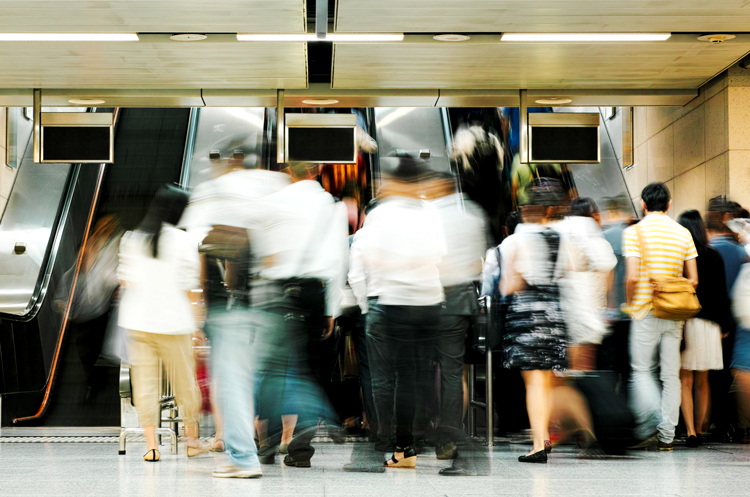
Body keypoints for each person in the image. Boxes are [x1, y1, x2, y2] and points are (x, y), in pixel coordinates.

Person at [180, 153, 291, 478]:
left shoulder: (226, 206)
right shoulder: (267, 196)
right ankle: (242, 453)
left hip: (233, 312)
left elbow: (226, 274)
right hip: (264, 307)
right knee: (246, 381)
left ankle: (242, 457)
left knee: (231, 383)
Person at [252, 161, 348, 468]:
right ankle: (301, 448)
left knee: (274, 369)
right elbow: (337, 262)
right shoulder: (331, 206)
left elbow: (259, 255)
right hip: (313, 291)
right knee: (307, 367)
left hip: (277, 291)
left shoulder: (270, 202)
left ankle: (266, 443)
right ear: (316, 170)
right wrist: (330, 310)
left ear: (290, 171)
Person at [353, 154, 445, 469]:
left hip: (395, 301)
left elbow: (371, 257)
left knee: (393, 377)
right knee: (418, 375)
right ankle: (416, 439)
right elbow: (439, 255)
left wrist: (396, 266)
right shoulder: (432, 211)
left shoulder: (383, 211)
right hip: (429, 301)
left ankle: (395, 443)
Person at [118, 185, 208, 462]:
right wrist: (198, 327)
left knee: (145, 386)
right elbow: (190, 290)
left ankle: (151, 446)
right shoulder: (182, 241)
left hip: (137, 323)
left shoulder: (132, 238)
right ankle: (192, 442)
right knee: (184, 383)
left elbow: (124, 281)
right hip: (173, 324)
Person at [624, 183, 698, 451]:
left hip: (645, 311)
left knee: (642, 370)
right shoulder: (683, 233)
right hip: (674, 313)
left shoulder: (634, 232)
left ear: (644, 204)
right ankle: (667, 435)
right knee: (670, 375)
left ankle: (652, 417)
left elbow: (632, 277)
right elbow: (694, 280)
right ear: (668, 204)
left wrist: (632, 303)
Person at [500, 178, 570, 463]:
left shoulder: (516, 240)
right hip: (553, 315)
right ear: (549, 210)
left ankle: (538, 443)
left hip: (527, 317)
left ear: (525, 208)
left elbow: (508, 285)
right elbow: (568, 273)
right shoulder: (559, 238)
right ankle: (544, 438)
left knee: (533, 384)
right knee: (547, 381)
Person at [429, 172, 491, 461]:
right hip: (461, 301)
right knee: (453, 372)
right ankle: (448, 436)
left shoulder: (430, 215)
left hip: (430, 297)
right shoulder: (473, 214)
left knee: (416, 369)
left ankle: (417, 432)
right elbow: (479, 261)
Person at [677, 210, 733, 447]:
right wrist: (724, 324)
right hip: (709, 326)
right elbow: (722, 294)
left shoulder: (680, 256)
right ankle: (699, 430)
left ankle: (689, 430)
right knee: (703, 381)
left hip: (685, 323)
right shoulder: (714, 256)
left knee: (684, 379)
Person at [556, 197, 616, 371]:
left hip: (564, 312)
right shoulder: (600, 243)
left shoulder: (560, 237)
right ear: (593, 216)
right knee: (584, 366)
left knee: (568, 368)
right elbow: (608, 284)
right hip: (591, 315)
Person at [602, 195, 635, 386]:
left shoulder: (604, 235)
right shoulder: (634, 235)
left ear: (612, 211)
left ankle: (610, 406)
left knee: (610, 363)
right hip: (632, 311)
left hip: (610, 311)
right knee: (629, 363)